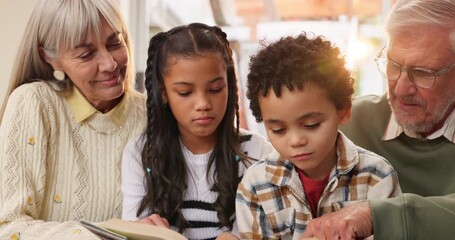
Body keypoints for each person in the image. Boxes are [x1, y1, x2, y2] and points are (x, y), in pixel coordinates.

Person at [301, 0, 455, 239]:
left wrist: (375, 215)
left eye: (423, 73)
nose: (402, 88)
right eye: (393, 65)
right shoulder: (346, 124)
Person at [0, 0, 146, 239]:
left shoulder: (150, 114)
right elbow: (8, 227)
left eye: (115, 42)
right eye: (86, 54)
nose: (110, 64)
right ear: (49, 58)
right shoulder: (34, 104)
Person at [235, 33, 401, 240]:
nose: (296, 141)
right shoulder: (256, 185)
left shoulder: (377, 177)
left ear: (344, 110)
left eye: (311, 125)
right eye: (278, 130)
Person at [121, 23, 274, 240]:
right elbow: (132, 227)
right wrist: (142, 229)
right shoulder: (141, 152)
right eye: (185, 92)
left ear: (229, 86)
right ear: (164, 93)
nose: (203, 103)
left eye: (215, 89)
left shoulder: (257, 152)